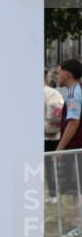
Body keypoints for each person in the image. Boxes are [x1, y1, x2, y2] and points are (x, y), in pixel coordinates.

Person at [56, 58, 82, 237]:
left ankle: (79, 226)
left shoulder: (73, 93)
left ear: (67, 74)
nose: (56, 76)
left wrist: (60, 149)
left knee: (77, 188)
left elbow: (73, 123)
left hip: (76, 148)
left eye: (58, 72)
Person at [46, 71, 66, 204]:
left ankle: (53, 195)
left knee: (48, 166)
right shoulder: (54, 93)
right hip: (55, 134)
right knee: (53, 165)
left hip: (46, 136)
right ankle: (55, 194)